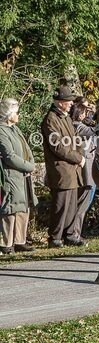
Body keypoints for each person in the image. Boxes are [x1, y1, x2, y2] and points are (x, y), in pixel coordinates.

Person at [41, 84, 87, 247]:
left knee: (71, 204)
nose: (71, 104)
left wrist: (81, 153)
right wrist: (78, 158)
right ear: (59, 102)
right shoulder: (50, 119)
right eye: (68, 101)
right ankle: (55, 237)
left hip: (72, 168)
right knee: (60, 205)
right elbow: (58, 146)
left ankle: (69, 235)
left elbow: (75, 139)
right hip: (61, 169)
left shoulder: (66, 117)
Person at [0, 98, 37, 254]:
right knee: (11, 208)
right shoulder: (1, 131)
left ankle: (20, 240)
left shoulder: (15, 129)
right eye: (16, 112)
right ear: (9, 114)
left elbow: (26, 149)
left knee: (23, 207)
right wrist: (28, 166)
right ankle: (6, 243)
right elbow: (9, 155)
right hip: (11, 174)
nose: (18, 115)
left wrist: (31, 164)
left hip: (23, 175)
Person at [70, 97, 97, 238]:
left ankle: (78, 231)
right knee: (82, 204)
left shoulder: (79, 124)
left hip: (90, 171)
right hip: (86, 171)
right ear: (79, 114)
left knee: (85, 204)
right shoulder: (77, 126)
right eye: (84, 111)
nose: (87, 113)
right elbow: (93, 131)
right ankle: (75, 233)